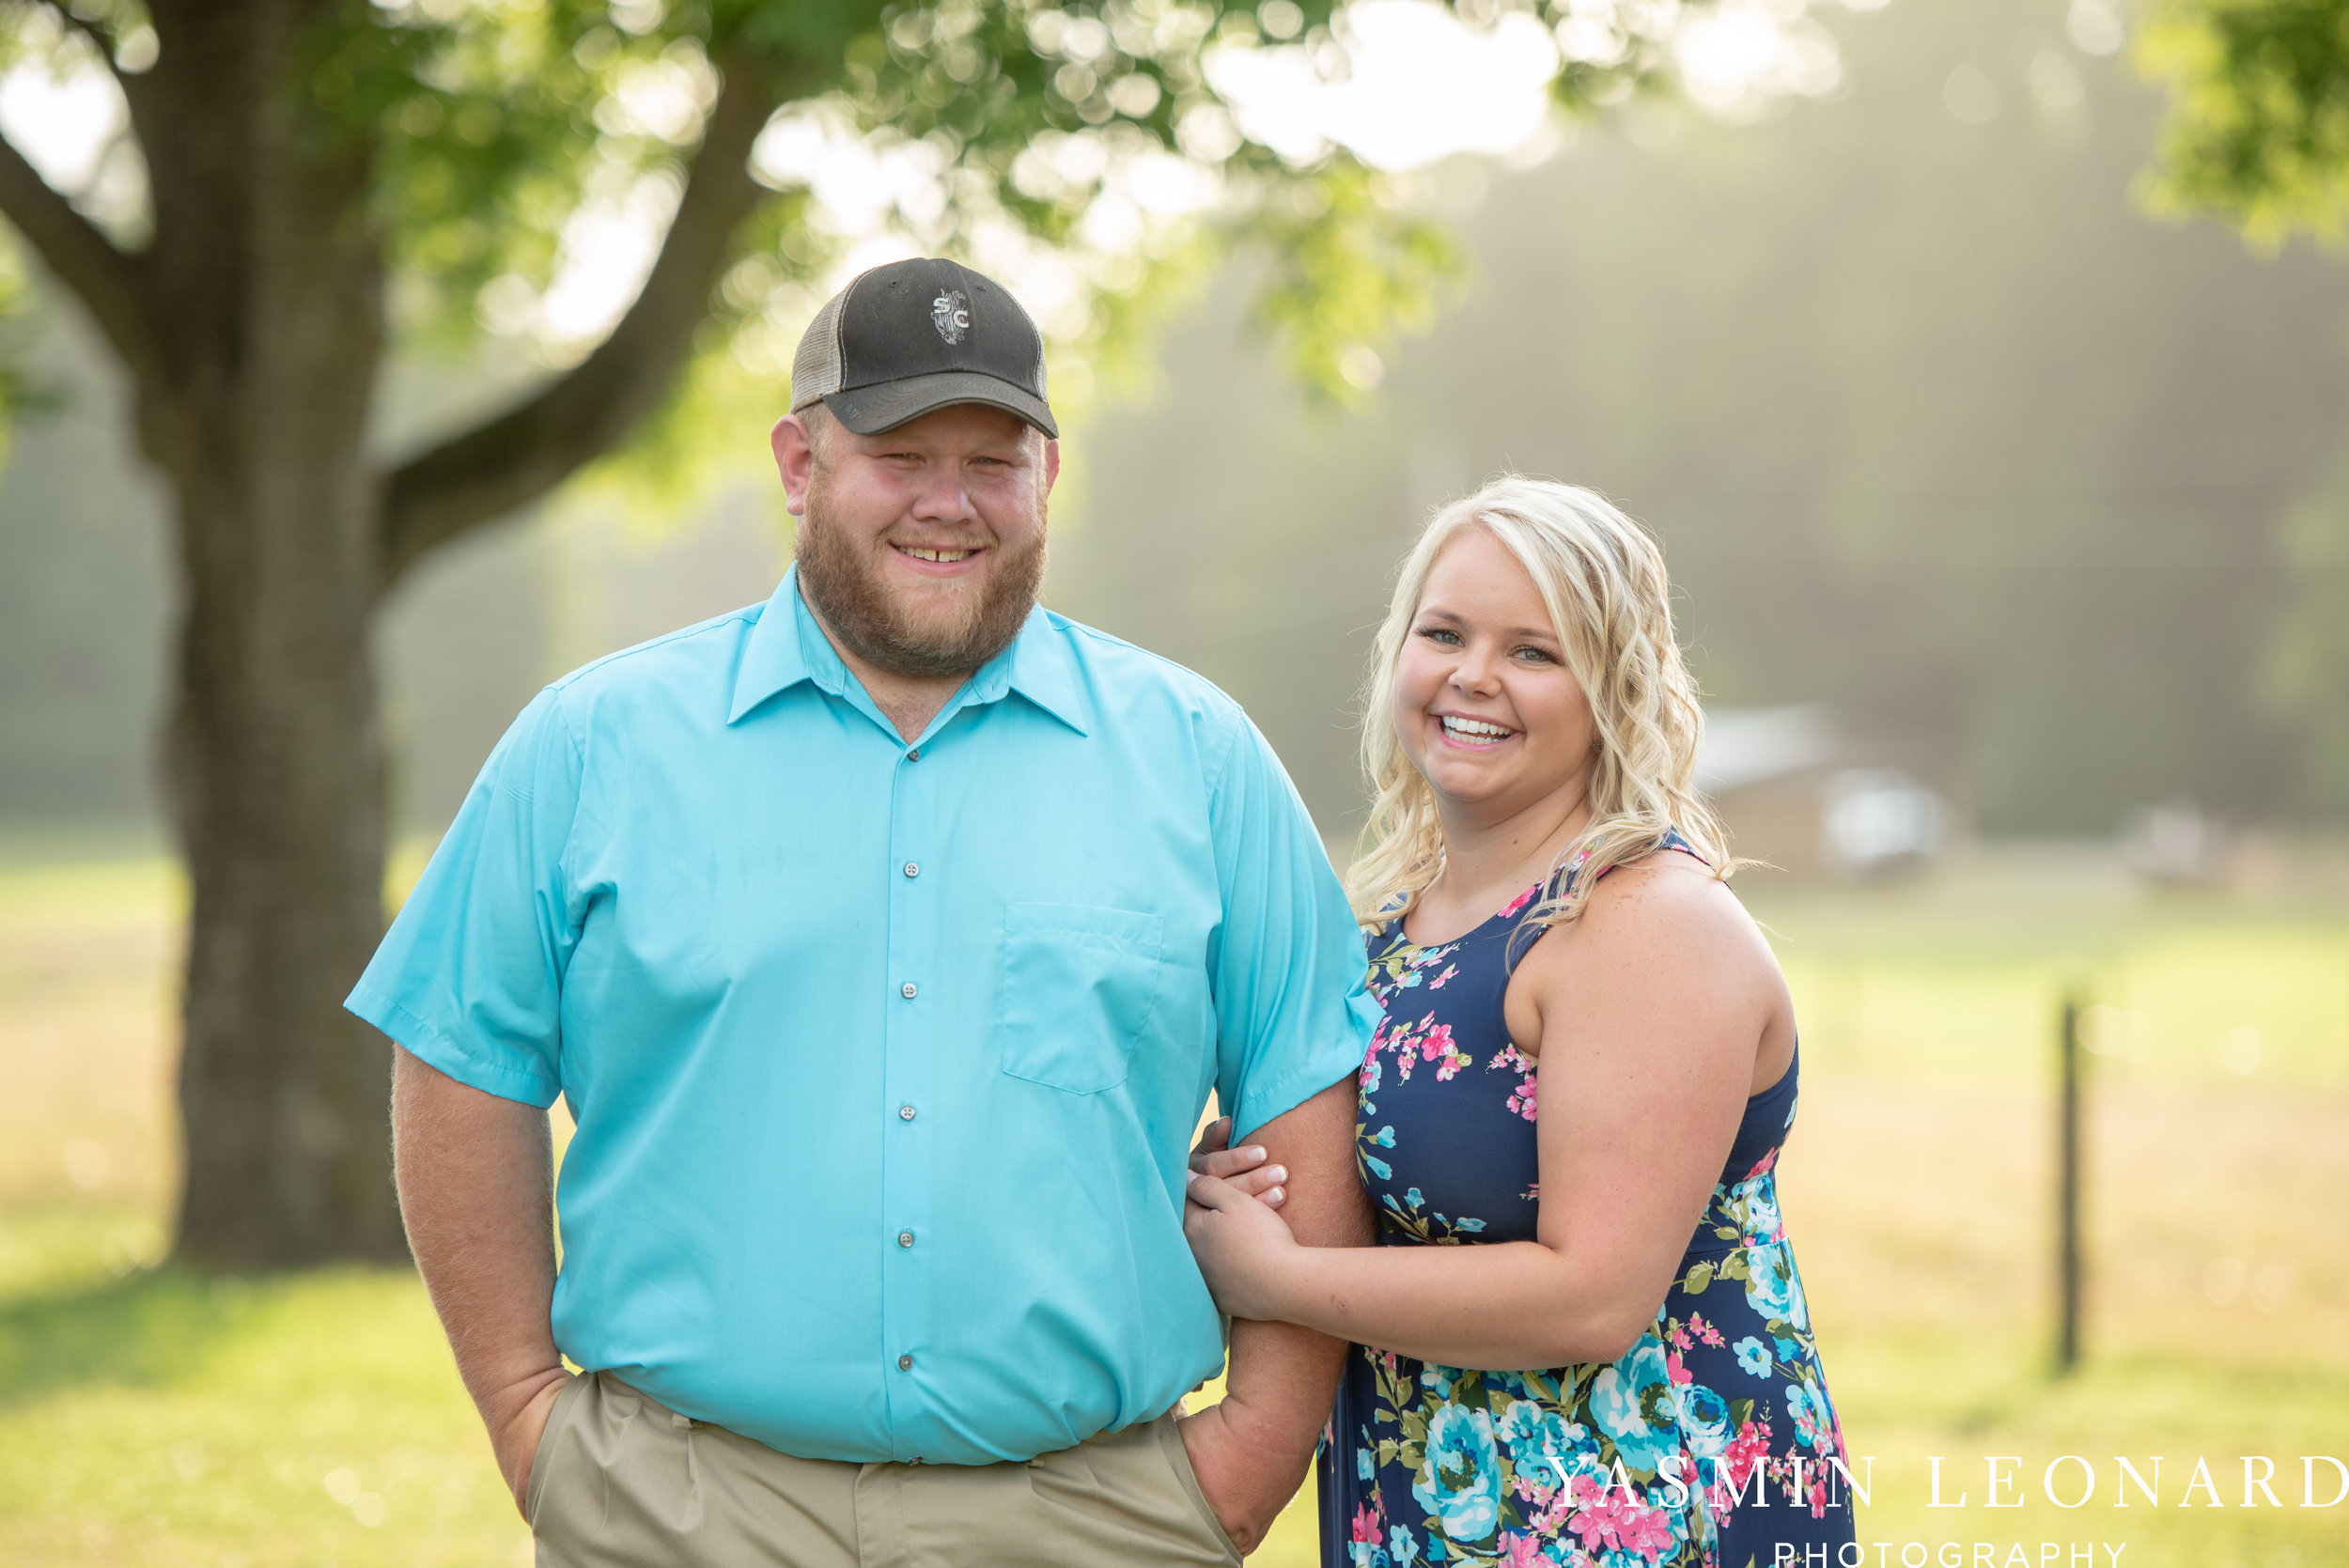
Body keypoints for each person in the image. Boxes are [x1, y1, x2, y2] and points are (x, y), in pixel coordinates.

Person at [350, 256, 1377, 1567]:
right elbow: (459, 1054)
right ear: (799, 462)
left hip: (1096, 1521)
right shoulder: (593, 744)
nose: (950, 503)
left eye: (994, 460)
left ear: (1046, 478)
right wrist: (522, 1413)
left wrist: (1251, 1456)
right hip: (678, 1516)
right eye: (901, 453)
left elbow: (1312, 1087)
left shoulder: (1201, 759)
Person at [1181, 478, 1858, 1567]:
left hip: (1637, 1524)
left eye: (1534, 652)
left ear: (1612, 687)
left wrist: (1274, 1277)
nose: (1473, 675)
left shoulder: (1640, 922)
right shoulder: (1393, 924)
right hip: (1435, 1514)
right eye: (1442, 632)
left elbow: (1591, 1294)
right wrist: (1244, 1181)